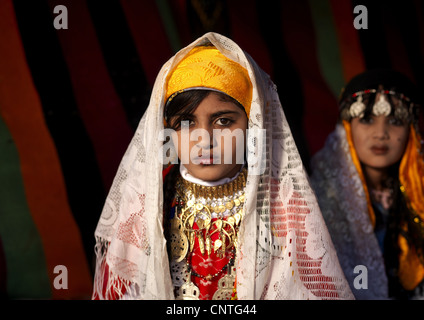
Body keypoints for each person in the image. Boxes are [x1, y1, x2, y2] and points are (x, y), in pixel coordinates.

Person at [92, 32, 353, 300]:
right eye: (186, 122)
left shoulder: (283, 206)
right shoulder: (146, 203)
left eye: (223, 122)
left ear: (253, 125)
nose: (204, 140)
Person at [310, 69, 424, 299]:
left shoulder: (418, 197)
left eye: (395, 121)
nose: (381, 133)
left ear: (410, 131)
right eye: (367, 120)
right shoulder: (320, 201)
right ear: (347, 128)